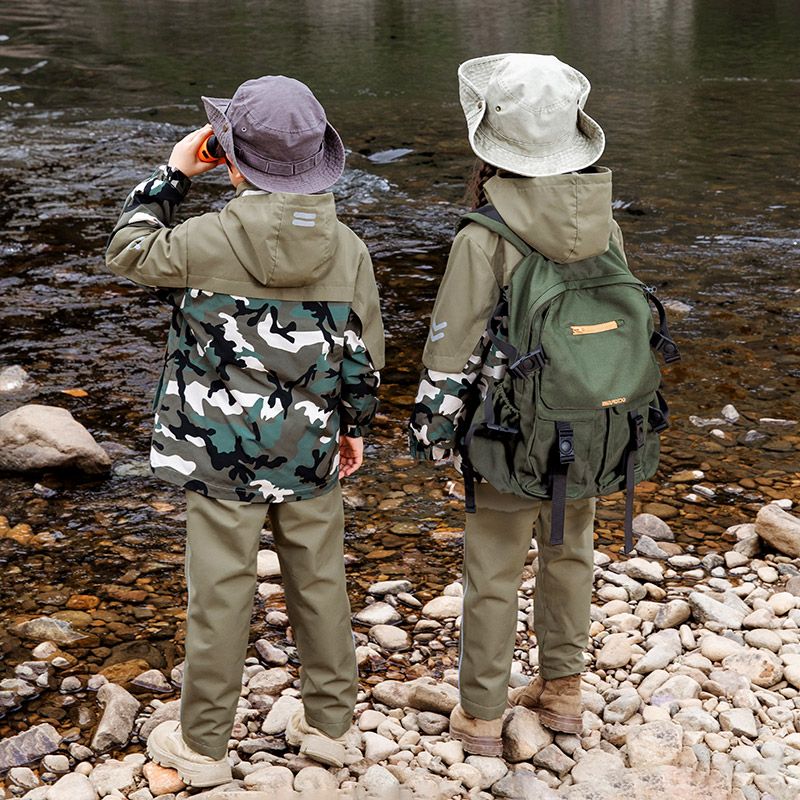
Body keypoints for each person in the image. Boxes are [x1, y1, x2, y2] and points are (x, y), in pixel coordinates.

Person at [106, 75, 384, 787]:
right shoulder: (349, 249)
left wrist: (173, 173)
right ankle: (331, 729)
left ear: (230, 160)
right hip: (311, 450)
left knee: (221, 592)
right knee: (321, 585)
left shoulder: (203, 240)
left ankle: (202, 744)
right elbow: (364, 357)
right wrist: (351, 428)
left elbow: (127, 251)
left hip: (217, 459)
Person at [410, 53, 621, 756]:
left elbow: (451, 351)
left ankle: (478, 717)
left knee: (494, 570)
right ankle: (563, 694)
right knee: (570, 555)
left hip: (507, 436)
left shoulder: (483, 237)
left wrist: (432, 438)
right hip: (591, 427)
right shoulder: (606, 225)